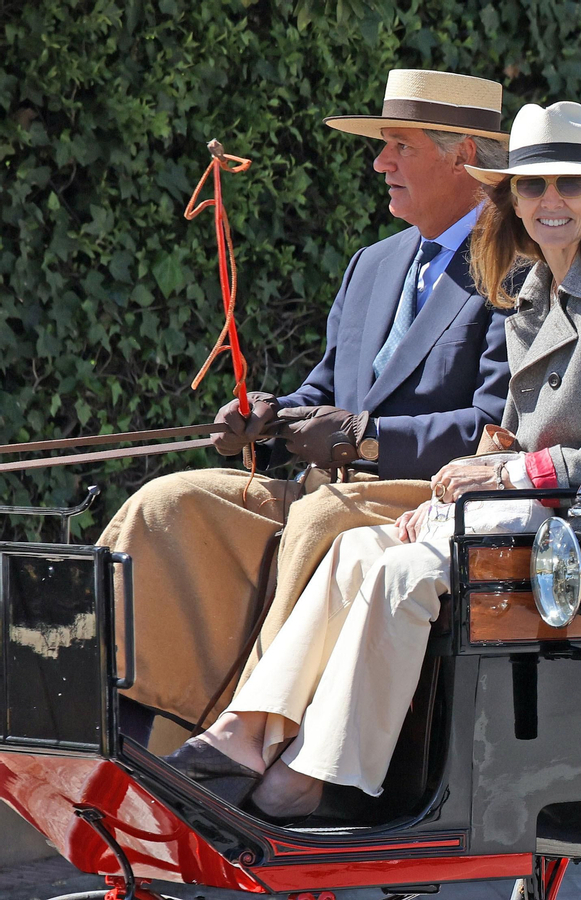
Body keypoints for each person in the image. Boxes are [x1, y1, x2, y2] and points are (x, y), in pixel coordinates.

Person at [165, 100, 581, 819]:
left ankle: (319, 778)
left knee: (405, 572)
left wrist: (496, 478)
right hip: (543, 515)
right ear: (512, 199)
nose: (551, 200)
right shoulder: (531, 290)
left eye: (570, 184)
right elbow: (512, 434)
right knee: (357, 548)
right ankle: (248, 733)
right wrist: (450, 500)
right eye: (532, 185)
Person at [99, 69, 513, 736]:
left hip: (421, 503)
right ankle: (112, 722)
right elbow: (324, 393)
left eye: (399, 146)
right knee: (165, 504)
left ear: (462, 154)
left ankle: (251, 736)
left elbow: (495, 429)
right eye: (383, 146)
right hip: (328, 491)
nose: (379, 163)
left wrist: (365, 436)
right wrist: (265, 417)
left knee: (320, 518)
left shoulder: (515, 267)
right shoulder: (372, 264)